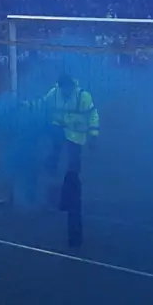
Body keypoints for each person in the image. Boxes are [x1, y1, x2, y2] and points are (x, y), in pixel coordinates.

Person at [27, 73, 100, 248]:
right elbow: (41, 105)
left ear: (71, 86)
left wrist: (93, 135)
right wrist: (25, 106)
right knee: (55, 150)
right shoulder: (54, 93)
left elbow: (93, 116)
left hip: (76, 137)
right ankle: (51, 170)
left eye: (66, 88)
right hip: (59, 132)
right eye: (61, 88)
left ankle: (65, 191)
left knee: (73, 171)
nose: (63, 90)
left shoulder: (83, 96)